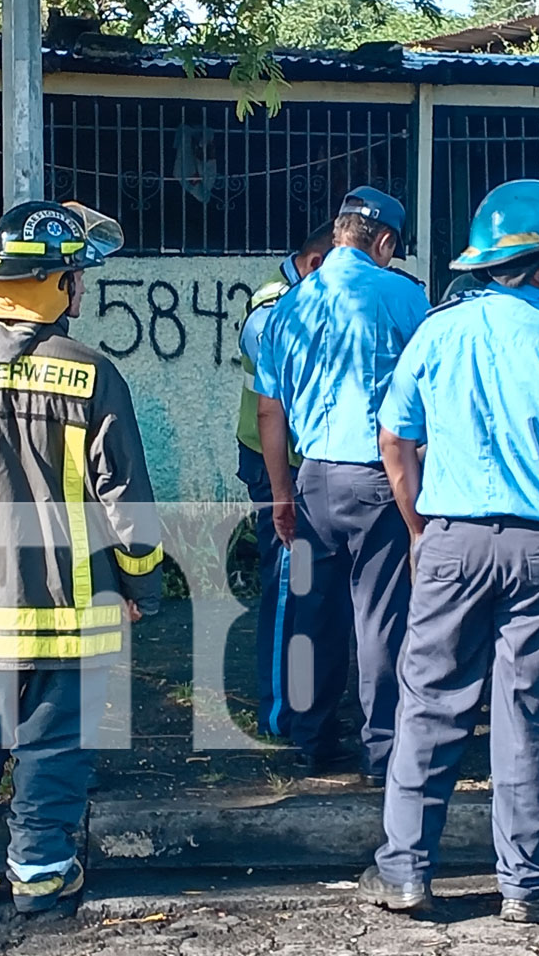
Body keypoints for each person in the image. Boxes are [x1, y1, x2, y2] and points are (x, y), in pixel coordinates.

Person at [358, 179, 539, 923]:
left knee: (429, 706)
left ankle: (404, 873)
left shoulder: (438, 331)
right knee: (529, 717)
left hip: (453, 543)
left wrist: (421, 526)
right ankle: (525, 885)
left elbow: (395, 438)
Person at [0, 200, 162, 915]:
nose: (81, 287)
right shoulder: (92, 373)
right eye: (75, 274)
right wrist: (142, 583)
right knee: (54, 743)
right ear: (58, 286)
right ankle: (41, 876)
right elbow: (126, 496)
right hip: (73, 608)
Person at [254, 186, 429, 782]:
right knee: (380, 619)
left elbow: (268, 413)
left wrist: (281, 492)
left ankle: (313, 739)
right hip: (379, 483)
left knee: (312, 613)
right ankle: (384, 751)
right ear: (383, 242)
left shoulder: (288, 307)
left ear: (337, 233)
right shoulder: (406, 298)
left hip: (310, 482)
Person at [235, 223, 334, 740]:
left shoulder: (313, 299)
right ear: (317, 263)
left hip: (313, 462)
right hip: (278, 465)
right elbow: (278, 401)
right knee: (286, 589)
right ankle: (278, 712)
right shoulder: (272, 306)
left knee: (316, 590)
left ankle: (309, 705)